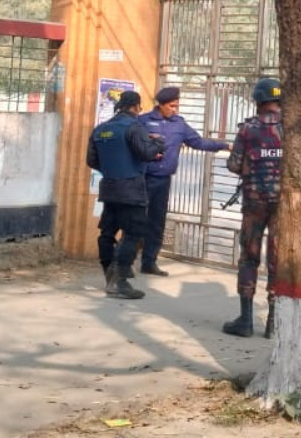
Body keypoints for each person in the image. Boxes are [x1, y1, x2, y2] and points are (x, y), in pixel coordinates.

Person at [137, 86, 229, 276]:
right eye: (172, 106)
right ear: (161, 105)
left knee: (157, 222)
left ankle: (149, 262)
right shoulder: (143, 121)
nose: (175, 110)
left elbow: (198, 142)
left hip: (163, 181)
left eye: (177, 106)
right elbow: (131, 144)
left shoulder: (179, 124)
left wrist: (224, 145)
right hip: (142, 178)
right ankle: (123, 264)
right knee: (135, 220)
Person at [88, 90, 165, 299]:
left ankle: (109, 274)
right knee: (133, 233)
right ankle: (119, 281)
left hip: (109, 188)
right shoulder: (133, 126)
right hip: (131, 189)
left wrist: (112, 170)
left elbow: (92, 161)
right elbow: (146, 153)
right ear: (136, 107)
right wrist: (158, 142)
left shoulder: (100, 130)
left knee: (107, 233)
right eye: (139, 108)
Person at [222, 77, 283, 339]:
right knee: (277, 261)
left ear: (257, 100)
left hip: (254, 203)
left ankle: (246, 321)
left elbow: (234, 165)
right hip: (283, 206)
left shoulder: (247, 130)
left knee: (249, 257)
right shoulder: (290, 129)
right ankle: (273, 323)